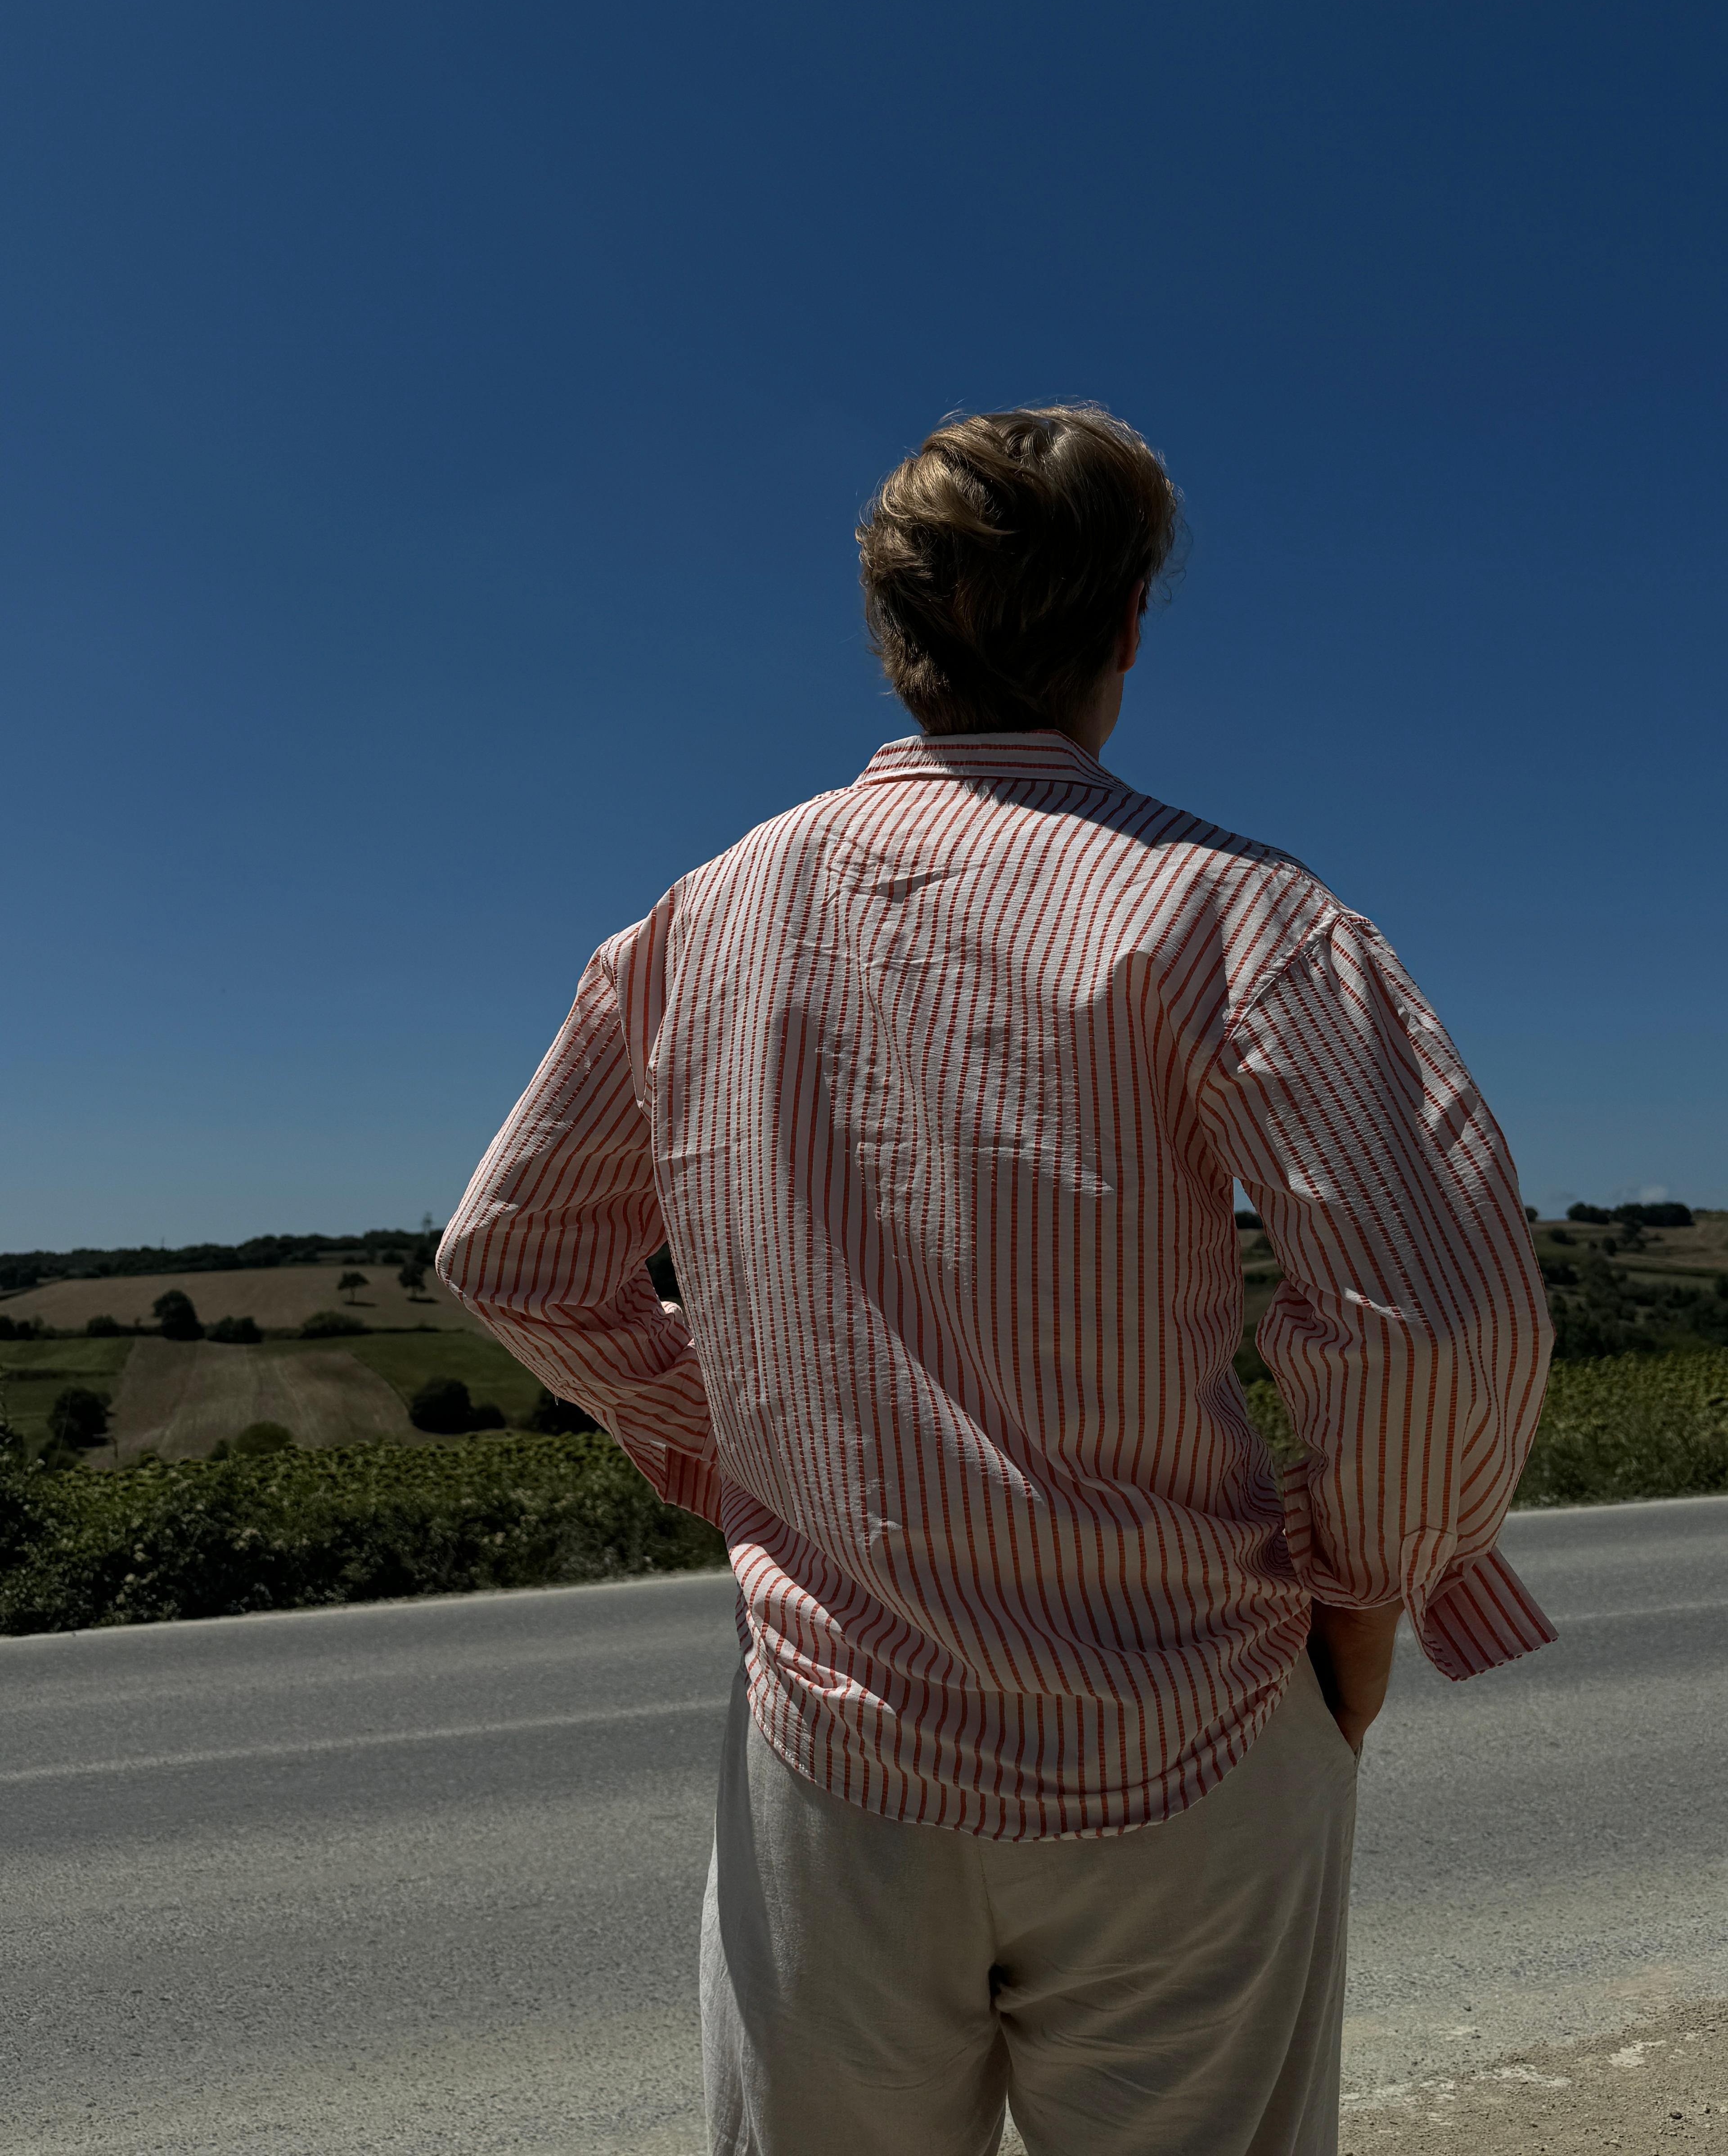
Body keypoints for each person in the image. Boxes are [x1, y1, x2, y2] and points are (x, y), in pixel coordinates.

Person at [436, 404, 1554, 2156]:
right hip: (1188, 1732)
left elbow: (512, 1253)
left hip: (832, 1748)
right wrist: (1365, 1592)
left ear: (894, 637)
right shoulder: (1242, 913)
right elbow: (1439, 1305)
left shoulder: (697, 921)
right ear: (1121, 630)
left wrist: (726, 1438)